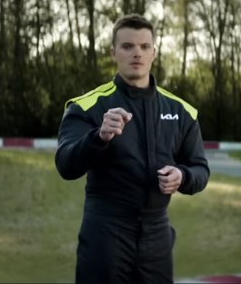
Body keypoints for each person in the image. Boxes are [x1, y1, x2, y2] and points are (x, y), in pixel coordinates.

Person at [55, 14, 211, 283]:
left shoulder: (181, 111)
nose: (136, 53)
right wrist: (98, 137)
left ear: (154, 53)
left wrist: (183, 176)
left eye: (144, 46)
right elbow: (65, 165)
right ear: (113, 52)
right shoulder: (87, 106)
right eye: (127, 46)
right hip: (106, 231)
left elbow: (201, 170)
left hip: (157, 234)